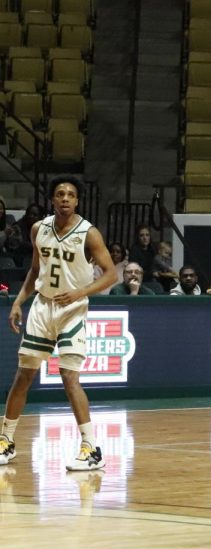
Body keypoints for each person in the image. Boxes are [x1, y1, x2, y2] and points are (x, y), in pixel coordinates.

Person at [0, 175, 117, 470]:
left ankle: (91, 448)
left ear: (77, 201)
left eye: (70, 195)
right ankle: (6, 441)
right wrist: (18, 301)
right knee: (23, 376)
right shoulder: (39, 229)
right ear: (53, 199)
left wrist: (80, 291)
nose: (65, 198)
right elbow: (35, 270)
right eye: (60, 194)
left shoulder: (89, 233)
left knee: (68, 377)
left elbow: (110, 274)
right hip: (42, 306)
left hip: (73, 308)